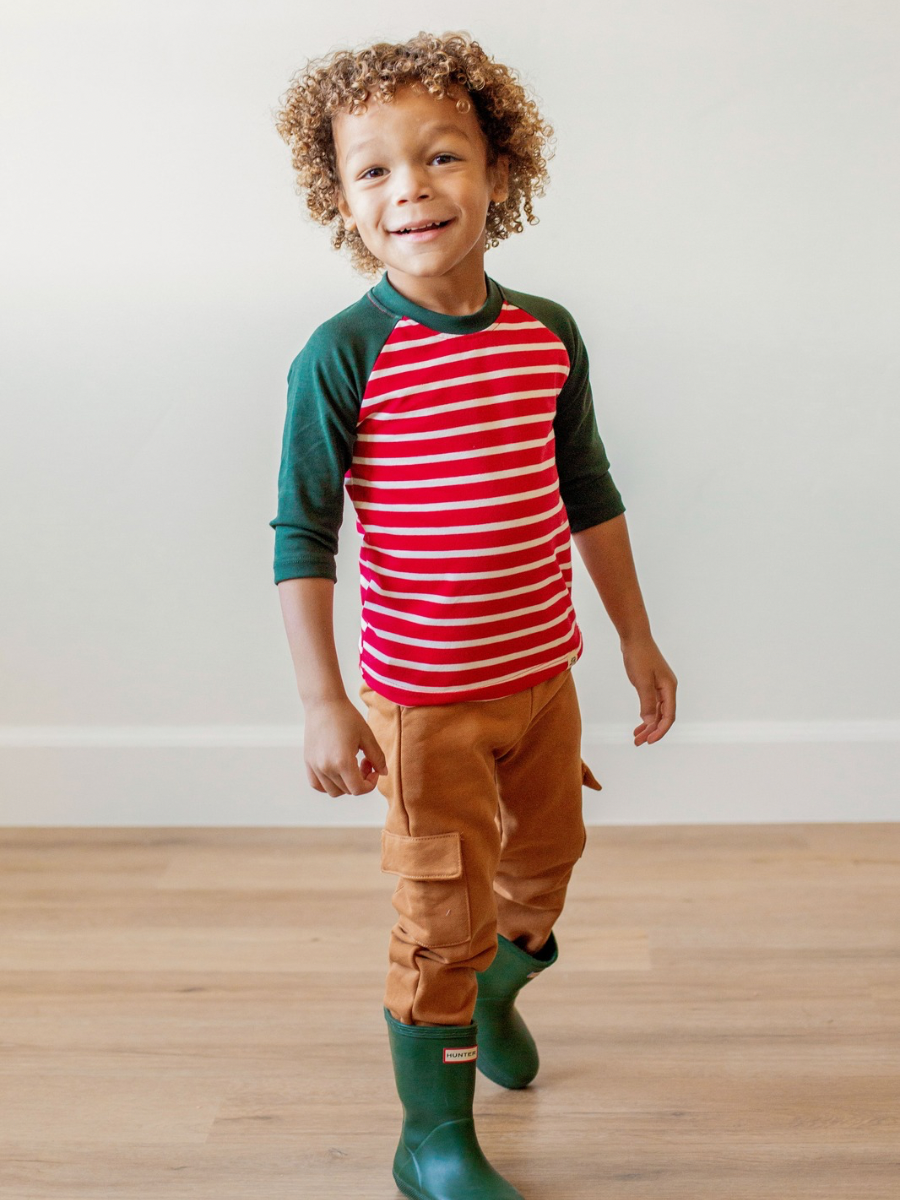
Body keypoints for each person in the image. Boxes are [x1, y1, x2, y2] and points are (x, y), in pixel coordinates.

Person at [270, 30, 677, 1200]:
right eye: (374, 172)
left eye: (441, 156)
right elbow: (303, 536)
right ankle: (432, 1134)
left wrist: (635, 638)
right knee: (442, 915)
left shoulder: (545, 332)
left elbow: (587, 491)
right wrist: (321, 699)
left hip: (543, 681)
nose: (411, 189)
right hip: (423, 708)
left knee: (542, 876)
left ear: (499, 169)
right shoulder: (342, 356)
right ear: (341, 200)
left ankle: (498, 990)